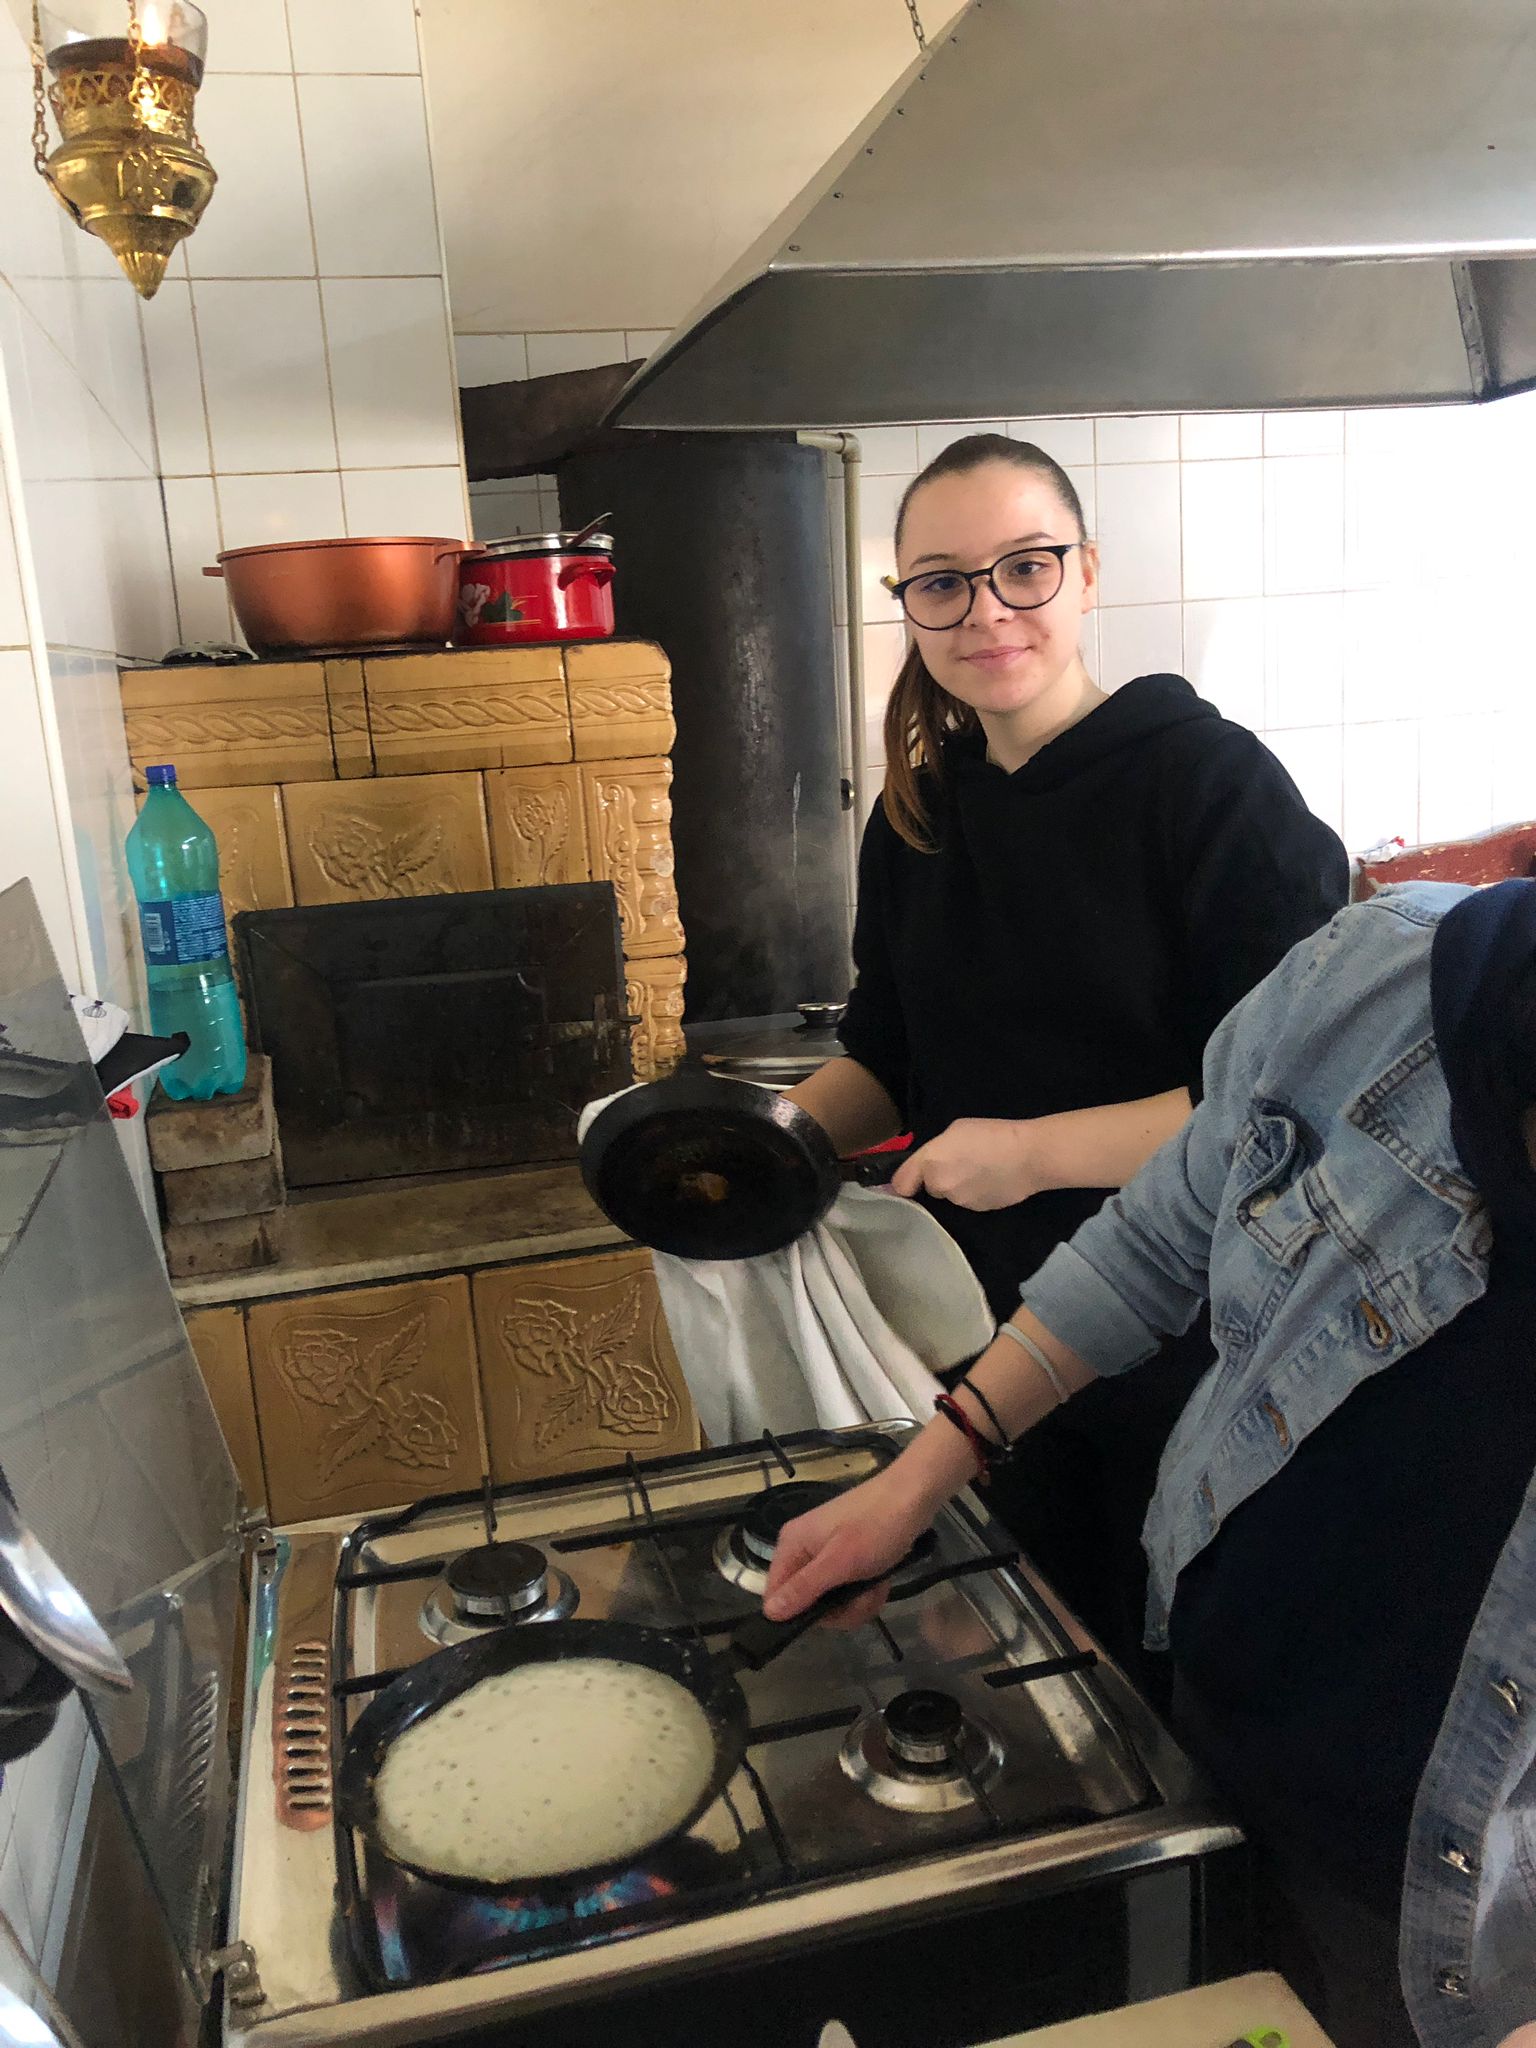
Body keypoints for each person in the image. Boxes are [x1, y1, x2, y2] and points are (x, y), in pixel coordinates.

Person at [764, 878, 1536, 2048]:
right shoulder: (1374, 976)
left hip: (1461, 1923)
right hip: (1214, 1738)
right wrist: (918, 1475)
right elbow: (1155, 1242)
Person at [787, 431, 1348, 1678]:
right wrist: (763, 1151)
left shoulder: (1209, 785)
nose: (986, 610)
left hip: (1193, 1346)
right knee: (1014, 1670)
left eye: (1024, 567)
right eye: (942, 582)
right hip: (973, 1338)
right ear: (906, 603)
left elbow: (1288, 1091)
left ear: (1087, 571)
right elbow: (885, 1042)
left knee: (1168, 1683)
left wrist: (1034, 1153)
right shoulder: (919, 813)